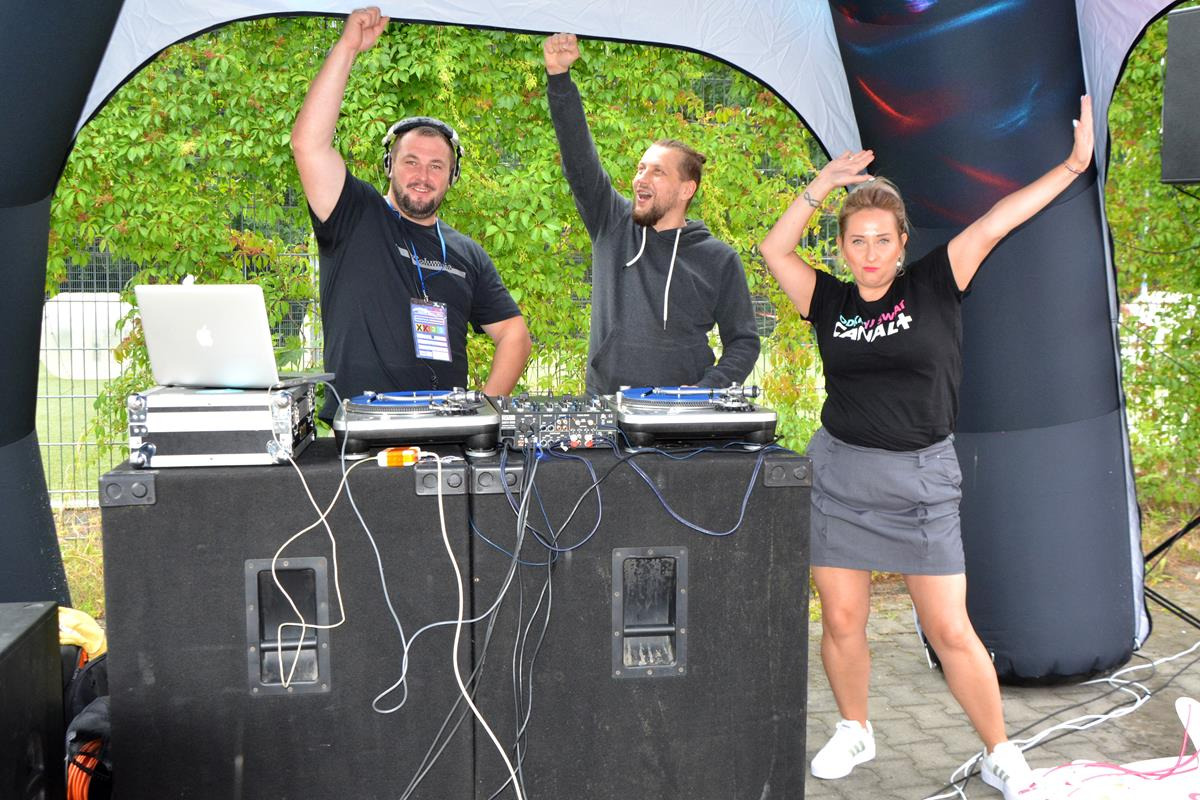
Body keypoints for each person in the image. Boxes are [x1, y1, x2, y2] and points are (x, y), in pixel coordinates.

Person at [759, 97, 1095, 799]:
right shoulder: (828, 301)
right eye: (857, 241)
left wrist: (1072, 166)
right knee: (842, 619)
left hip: (921, 480)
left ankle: (1000, 751)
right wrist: (822, 184)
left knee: (950, 627)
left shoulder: (937, 281)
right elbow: (773, 250)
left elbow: (999, 218)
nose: (870, 253)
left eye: (882, 240)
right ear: (842, 247)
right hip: (841, 475)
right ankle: (856, 728)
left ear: (902, 242)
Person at [292, 7, 530, 420]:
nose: (423, 176)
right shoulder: (352, 214)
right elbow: (307, 145)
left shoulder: (467, 254)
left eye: (437, 166)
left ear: (452, 176)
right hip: (363, 433)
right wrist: (348, 48)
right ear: (389, 166)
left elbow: (514, 334)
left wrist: (482, 413)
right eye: (411, 162)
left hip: (444, 435)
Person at [542, 33, 760, 395]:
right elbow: (579, 160)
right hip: (608, 407)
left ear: (686, 190)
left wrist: (705, 390)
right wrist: (559, 80)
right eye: (641, 169)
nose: (641, 178)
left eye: (658, 172)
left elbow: (744, 342)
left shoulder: (719, 260)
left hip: (680, 415)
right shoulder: (612, 223)